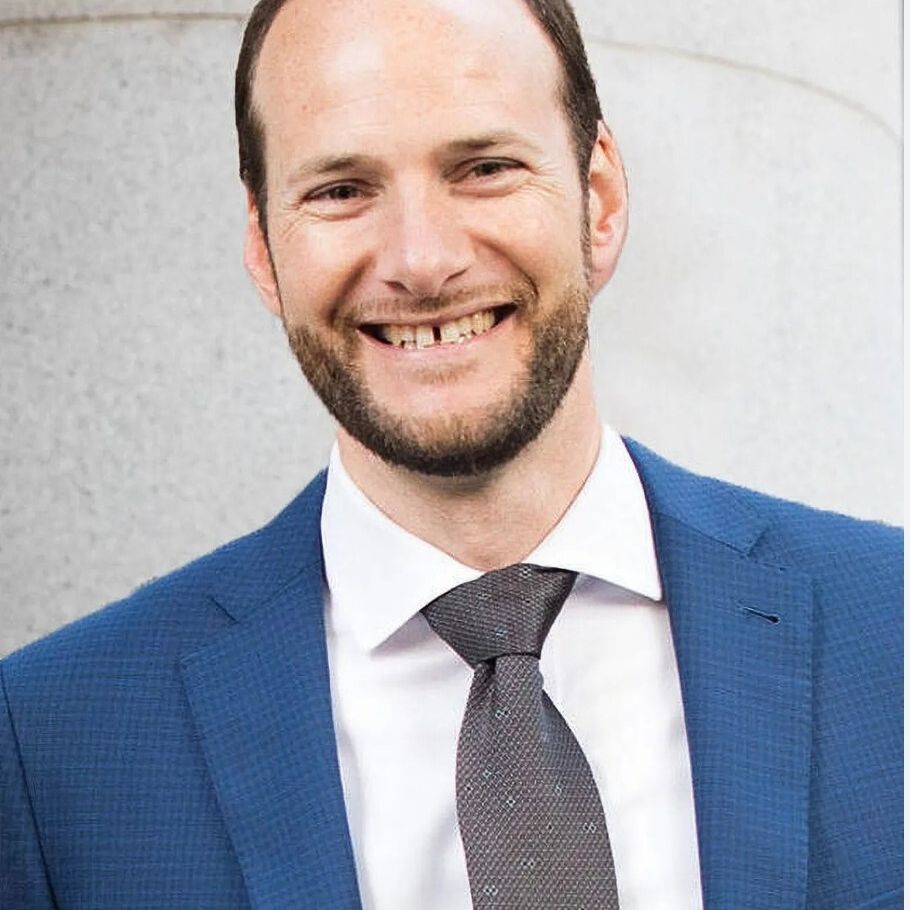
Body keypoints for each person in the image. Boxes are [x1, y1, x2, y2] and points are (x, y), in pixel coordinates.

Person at [0, 0, 901, 907]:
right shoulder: (51, 743)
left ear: (599, 199)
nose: (422, 260)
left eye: (484, 169)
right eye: (341, 190)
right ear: (264, 247)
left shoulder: (889, 624)